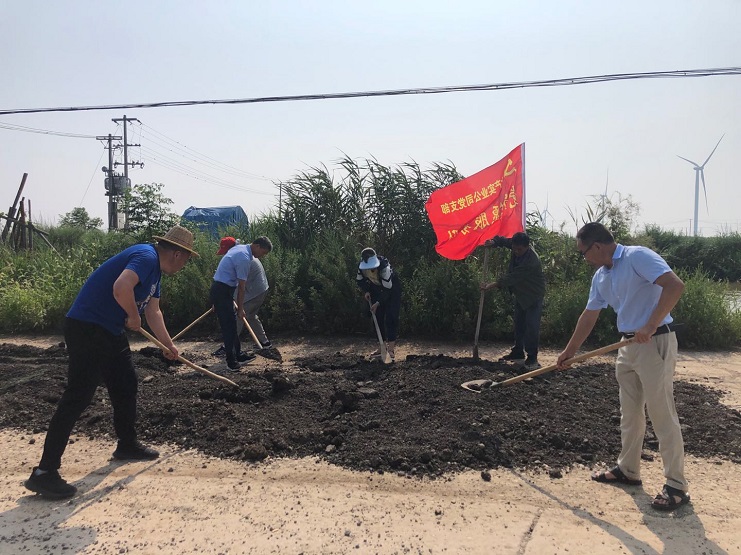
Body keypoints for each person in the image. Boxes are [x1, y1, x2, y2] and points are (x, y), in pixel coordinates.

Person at [24, 225, 199, 499]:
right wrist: (133, 315)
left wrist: (168, 344)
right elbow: (121, 288)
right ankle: (44, 473)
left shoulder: (155, 273)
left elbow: (153, 311)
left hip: (110, 330)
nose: (184, 265)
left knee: (126, 384)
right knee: (78, 396)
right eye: (186, 259)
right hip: (88, 327)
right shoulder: (146, 257)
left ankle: (126, 444)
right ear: (178, 254)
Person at [556, 222, 689, 512]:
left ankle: (676, 485)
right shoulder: (601, 276)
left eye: (583, 252)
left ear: (597, 246)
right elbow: (589, 315)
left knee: (661, 413)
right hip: (626, 345)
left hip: (655, 341)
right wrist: (569, 351)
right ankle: (628, 469)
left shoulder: (636, 257)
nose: (584, 258)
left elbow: (674, 285)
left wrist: (650, 325)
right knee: (629, 413)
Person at [481, 231, 545, 370]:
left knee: (531, 327)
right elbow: (504, 241)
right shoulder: (516, 245)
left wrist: (491, 285)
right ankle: (518, 352)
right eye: (514, 248)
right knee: (519, 324)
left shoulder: (531, 261)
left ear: (527, 246)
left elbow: (512, 278)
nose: (516, 252)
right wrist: (494, 242)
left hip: (533, 296)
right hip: (520, 294)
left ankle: (532, 357)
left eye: (519, 250)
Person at [210, 236, 273, 371]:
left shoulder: (241, 249)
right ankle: (231, 362)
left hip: (223, 289)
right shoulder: (244, 257)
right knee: (229, 327)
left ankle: (238, 355)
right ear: (257, 246)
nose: (262, 256)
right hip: (222, 290)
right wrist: (240, 309)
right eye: (263, 252)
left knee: (232, 325)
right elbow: (242, 287)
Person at [356, 247, 402, 361]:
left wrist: (378, 303)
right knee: (377, 317)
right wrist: (367, 290)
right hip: (376, 289)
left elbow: (388, 290)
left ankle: (391, 349)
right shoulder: (361, 267)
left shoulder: (384, 269)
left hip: (391, 290)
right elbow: (360, 281)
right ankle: (381, 347)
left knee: (391, 317)